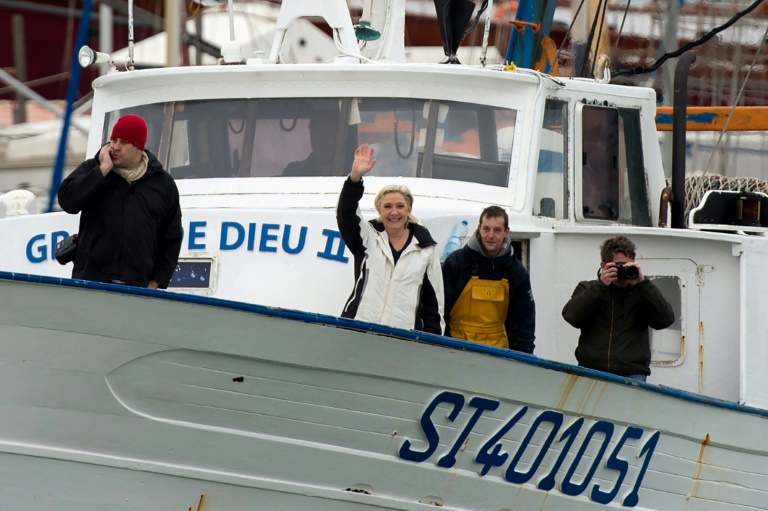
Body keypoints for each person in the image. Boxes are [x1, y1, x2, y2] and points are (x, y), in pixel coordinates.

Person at [58, 114, 183, 289]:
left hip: (138, 287)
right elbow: (67, 201)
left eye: (124, 142)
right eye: (113, 140)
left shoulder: (163, 183)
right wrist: (102, 170)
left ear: (139, 147)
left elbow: (171, 237)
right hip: (92, 282)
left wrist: (157, 282)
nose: (115, 147)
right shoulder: (93, 168)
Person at [336, 143, 444, 334]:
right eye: (387, 207)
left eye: (400, 206)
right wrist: (354, 178)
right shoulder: (368, 237)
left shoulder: (426, 249)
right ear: (379, 210)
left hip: (401, 340)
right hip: (357, 333)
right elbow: (346, 214)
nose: (394, 212)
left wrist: (430, 344)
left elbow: (434, 305)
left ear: (408, 209)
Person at [561, 236, 675, 382]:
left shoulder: (642, 292)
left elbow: (665, 320)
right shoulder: (587, 288)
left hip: (632, 373)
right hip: (591, 370)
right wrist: (601, 285)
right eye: (619, 265)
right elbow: (571, 316)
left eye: (628, 265)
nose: (623, 270)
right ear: (603, 265)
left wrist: (643, 283)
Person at [442, 206, 535, 353]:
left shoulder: (516, 272)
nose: (490, 235)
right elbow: (440, 310)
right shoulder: (456, 263)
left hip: (497, 354)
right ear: (479, 228)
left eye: (497, 230)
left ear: (506, 232)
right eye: (486, 229)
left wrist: (525, 357)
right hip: (455, 350)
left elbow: (524, 323)